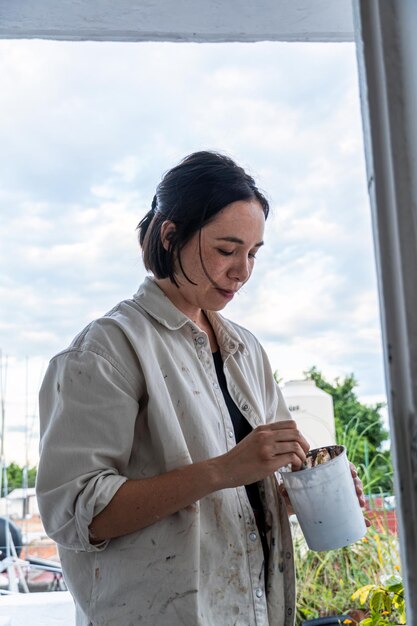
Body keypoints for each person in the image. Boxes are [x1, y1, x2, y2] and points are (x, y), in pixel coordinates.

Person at [37, 151, 366, 626]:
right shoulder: (106, 349)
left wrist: (295, 497)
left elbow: (246, 489)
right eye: (226, 250)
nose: (243, 271)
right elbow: (76, 515)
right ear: (170, 236)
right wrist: (224, 470)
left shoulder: (246, 350)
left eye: (253, 253)